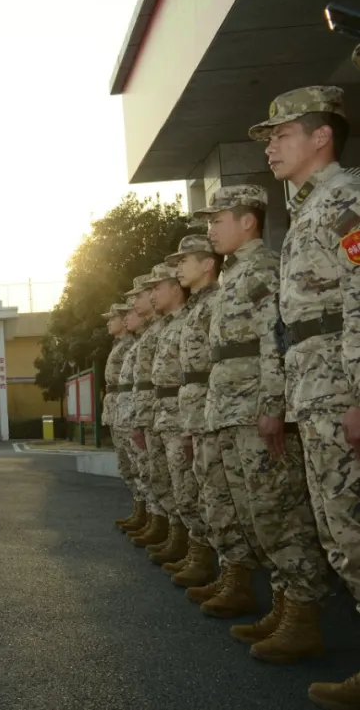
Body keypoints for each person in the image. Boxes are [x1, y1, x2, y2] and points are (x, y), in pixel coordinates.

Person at [248, 85, 360, 705]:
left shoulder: (345, 200)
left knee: (353, 532)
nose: (270, 148)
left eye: (282, 135)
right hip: (316, 395)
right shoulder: (309, 209)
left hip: (341, 392)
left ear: (322, 136)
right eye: (267, 139)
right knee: (340, 535)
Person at [197, 185, 331, 662]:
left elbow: (274, 341)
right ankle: (283, 604)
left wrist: (273, 405)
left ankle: (303, 617)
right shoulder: (235, 273)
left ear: (247, 221)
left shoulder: (262, 271)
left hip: (256, 411)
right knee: (257, 514)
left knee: (280, 513)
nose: (211, 230)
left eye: (218, 220)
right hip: (232, 410)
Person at [165, 233, 248, 594]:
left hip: (219, 406)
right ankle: (220, 569)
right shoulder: (198, 306)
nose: (179, 268)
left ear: (208, 263)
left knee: (223, 495)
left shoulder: (216, 300)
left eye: (184, 261)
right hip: (200, 409)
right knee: (207, 492)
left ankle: (235, 577)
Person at [144, 262, 200, 568]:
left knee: (189, 486)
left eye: (157, 288)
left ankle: (199, 554)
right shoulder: (167, 326)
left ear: (175, 289)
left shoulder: (188, 319)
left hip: (183, 413)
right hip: (165, 413)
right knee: (171, 482)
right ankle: (183, 543)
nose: (152, 295)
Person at [128, 271, 175, 549]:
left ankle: (177, 536)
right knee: (154, 475)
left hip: (170, 411)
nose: (132, 308)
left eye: (143, 294)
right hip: (153, 411)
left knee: (177, 480)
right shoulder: (154, 331)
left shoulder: (166, 327)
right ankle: (161, 525)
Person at [117, 298, 158, 538]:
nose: (125, 318)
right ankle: (147, 516)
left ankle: (158, 522)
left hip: (150, 411)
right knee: (138, 468)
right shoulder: (136, 343)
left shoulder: (148, 338)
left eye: (130, 312)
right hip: (131, 410)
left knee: (153, 472)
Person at [102, 301, 141, 529]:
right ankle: (140, 510)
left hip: (125, 407)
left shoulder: (129, 345)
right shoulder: (119, 345)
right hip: (116, 407)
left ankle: (146, 513)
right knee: (126, 463)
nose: (110, 322)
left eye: (113, 318)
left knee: (135, 463)